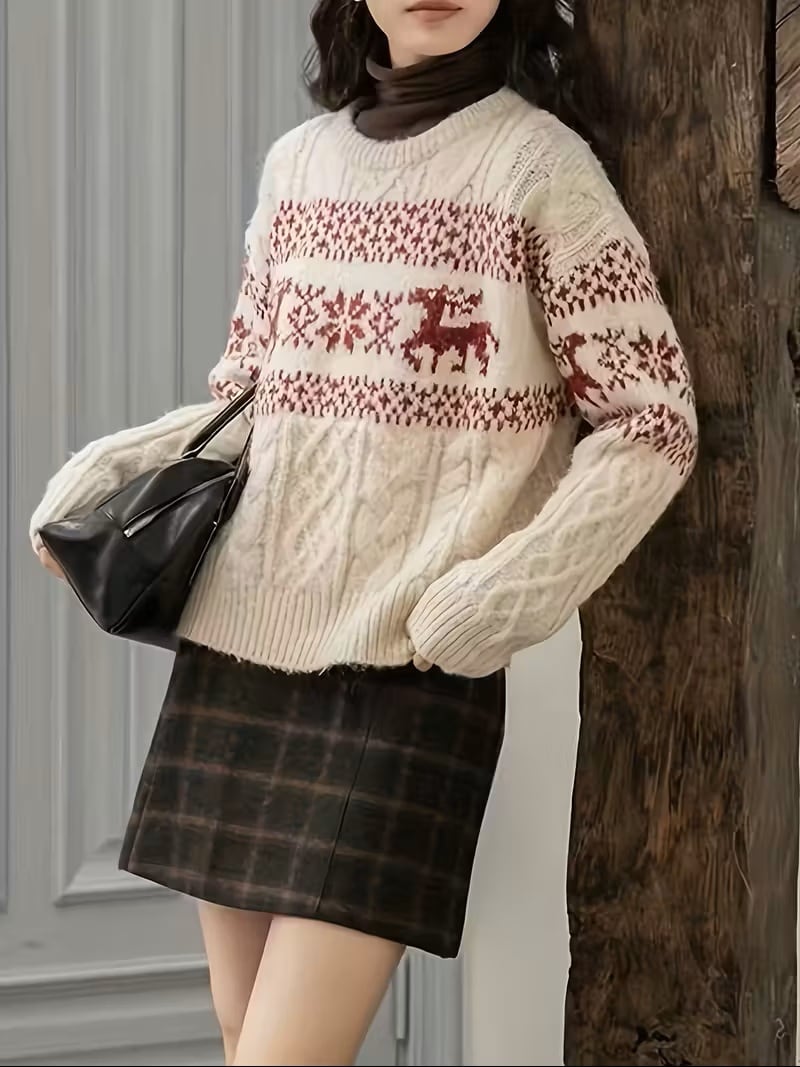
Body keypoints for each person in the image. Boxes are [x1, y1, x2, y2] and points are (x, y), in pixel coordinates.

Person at [29, 0, 698, 1063]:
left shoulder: (541, 170)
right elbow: (255, 395)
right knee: (244, 1033)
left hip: (406, 670)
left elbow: (651, 422)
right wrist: (110, 473)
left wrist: (501, 597)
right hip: (238, 645)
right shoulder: (297, 165)